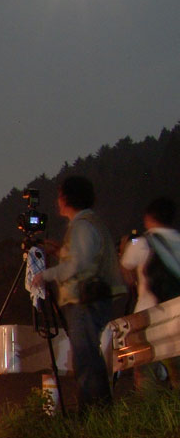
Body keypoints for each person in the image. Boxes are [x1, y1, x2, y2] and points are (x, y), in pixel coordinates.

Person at [30, 176, 126, 412]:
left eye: (60, 196)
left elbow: (79, 265)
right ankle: (96, 412)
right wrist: (60, 251)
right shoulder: (88, 224)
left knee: (86, 360)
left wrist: (46, 275)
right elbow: (82, 258)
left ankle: (94, 414)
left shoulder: (82, 225)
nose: (57, 201)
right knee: (86, 358)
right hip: (89, 300)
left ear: (66, 198)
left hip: (85, 300)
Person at [119, 196, 180, 386]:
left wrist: (123, 249)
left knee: (146, 373)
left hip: (148, 315)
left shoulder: (141, 242)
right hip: (176, 315)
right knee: (177, 372)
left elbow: (127, 274)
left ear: (148, 217)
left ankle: (150, 412)